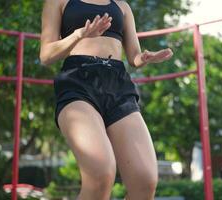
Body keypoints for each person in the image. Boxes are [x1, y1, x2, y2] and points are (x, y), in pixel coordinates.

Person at [40, 0, 173, 199]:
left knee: (145, 182)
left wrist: (144, 58)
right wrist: (79, 35)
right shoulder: (58, 2)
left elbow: (134, 57)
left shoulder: (122, 6)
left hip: (118, 83)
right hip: (78, 82)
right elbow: (46, 55)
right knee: (100, 174)